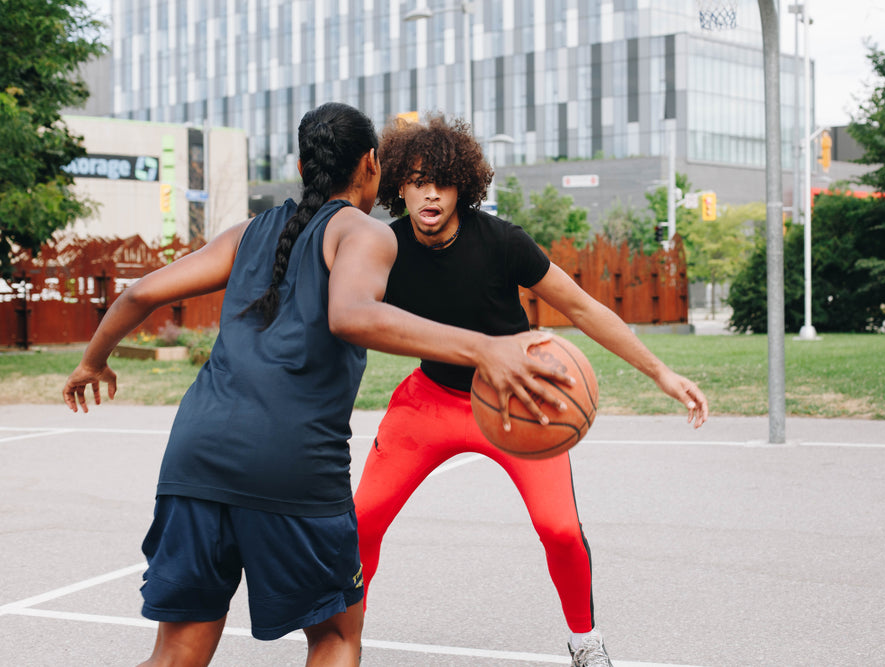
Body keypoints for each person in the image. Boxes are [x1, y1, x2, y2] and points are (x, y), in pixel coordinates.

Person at [62, 103, 571, 667]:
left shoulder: (248, 232)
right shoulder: (364, 233)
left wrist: (93, 362)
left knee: (178, 650)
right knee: (334, 636)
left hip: (196, 456)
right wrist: (484, 346)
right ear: (373, 164)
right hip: (291, 463)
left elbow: (139, 294)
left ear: (302, 167)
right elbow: (351, 315)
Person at [353, 114, 709, 667]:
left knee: (560, 530)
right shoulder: (386, 247)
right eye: (418, 179)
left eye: (442, 181)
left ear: (462, 187)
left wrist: (660, 372)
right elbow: (348, 313)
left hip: (517, 401)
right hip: (430, 400)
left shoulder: (499, 241)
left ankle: (585, 642)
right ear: (399, 183)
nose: (430, 193)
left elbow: (582, 307)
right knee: (362, 520)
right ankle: (343, 637)